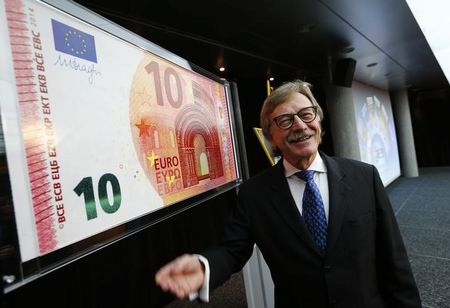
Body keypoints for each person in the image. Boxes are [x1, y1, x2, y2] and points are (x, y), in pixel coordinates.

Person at [155, 80, 422, 307]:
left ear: (318, 119)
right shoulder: (254, 194)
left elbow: (394, 262)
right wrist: (204, 267)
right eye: (284, 120)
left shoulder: (364, 177)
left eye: (306, 114)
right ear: (271, 137)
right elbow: (232, 250)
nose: (299, 125)